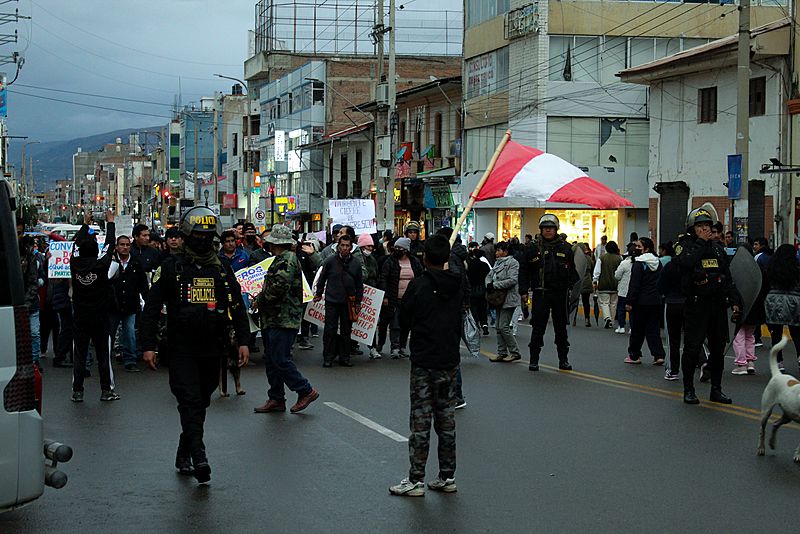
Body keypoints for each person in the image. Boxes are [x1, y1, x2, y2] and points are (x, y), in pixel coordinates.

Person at [141, 206, 250, 484]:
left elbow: (237, 304)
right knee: (188, 399)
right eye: (197, 236)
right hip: (181, 346)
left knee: (201, 400)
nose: (202, 241)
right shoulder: (171, 267)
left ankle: (184, 449)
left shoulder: (222, 267)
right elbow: (152, 307)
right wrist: (148, 344)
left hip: (213, 346)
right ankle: (199, 455)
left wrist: (244, 341)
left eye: (206, 236)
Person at [389, 235, 461, 497]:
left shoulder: (418, 286)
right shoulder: (458, 284)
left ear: (425, 257)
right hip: (449, 362)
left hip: (424, 362)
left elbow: (404, 319)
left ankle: (416, 479)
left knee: (421, 422)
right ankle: (447, 476)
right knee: (446, 421)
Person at [677, 207, 741, 405]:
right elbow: (686, 263)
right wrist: (701, 242)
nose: (704, 229)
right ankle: (688, 389)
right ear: (692, 228)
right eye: (700, 226)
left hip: (717, 305)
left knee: (717, 348)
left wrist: (735, 300)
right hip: (696, 305)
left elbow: (727, 277)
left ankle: (716, 389)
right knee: (692, 348)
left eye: (707, 226)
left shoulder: (717, 249)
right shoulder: (686, 246)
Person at [253, 225, 319, 414]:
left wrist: (260, 299)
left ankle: (305, 390)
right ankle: (276, 397)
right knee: (273, 360)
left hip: (283, 317)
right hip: (274, 317)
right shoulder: (281, 259)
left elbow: (279, 287)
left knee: (280, 359)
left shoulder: (287, 260)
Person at [70, 210, 119, 403]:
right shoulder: (101, 264)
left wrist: (85, 224)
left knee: (80, 354)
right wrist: (110, 223)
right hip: (100, 317)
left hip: (80, 316)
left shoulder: (74, 263)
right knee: (103, 355)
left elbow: (75, 245)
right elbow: (109, 245)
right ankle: (106, 390)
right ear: (95, 251)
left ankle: (77, 391)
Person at [519, 214, 579, 371]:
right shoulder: (532, 248)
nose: (548, 230)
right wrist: (523, 291)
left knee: (561, 330)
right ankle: (534, 360)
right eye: (545, 228)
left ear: (556, 229)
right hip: (541, 293)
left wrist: (573, 292)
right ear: (540, 229)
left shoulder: (566, 248)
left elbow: (573, 273)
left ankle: (563, 360)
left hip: (560, 294)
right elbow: (524, 271)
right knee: (538, 328)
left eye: (551, 228)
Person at [315, 234, 363, 367]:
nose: (345, 248)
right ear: (338, 246)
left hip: (348, 302)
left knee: (346, 331)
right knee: (330, 330)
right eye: (342, 245)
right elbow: (322, 279)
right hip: (332, 300)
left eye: (347, 246)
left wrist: (358, 301)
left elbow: (359, 284)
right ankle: (328, 357)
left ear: (351, 247)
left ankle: (345, 357)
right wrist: (319, 294)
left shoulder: (356, 263)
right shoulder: (330, 261)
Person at [109, 235, 150, 373]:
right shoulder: (110, 262)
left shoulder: (136, 263)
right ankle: (106, 360)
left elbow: (143, 284)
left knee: (130, 333)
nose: (125, 247)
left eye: (127, 244)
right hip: (113, 305)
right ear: (116, 246)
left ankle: (130, 360)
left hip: (131, 305)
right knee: (109, 334)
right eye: (122, 244)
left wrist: (147, 300)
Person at [378, 237, 423, 358]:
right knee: (395, 324)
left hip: (409, 300)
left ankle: (402, 346)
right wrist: (385, 296)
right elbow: (384, 278)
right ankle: (395, 348)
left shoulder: (414, 262)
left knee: (406, 324)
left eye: (400, 248)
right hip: (393, 298)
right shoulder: (390, 262)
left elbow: (420, 277)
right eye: (396, 247)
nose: (397, 250)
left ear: (406, 250)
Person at [623, 238, 666, 365]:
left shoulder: (639, 263)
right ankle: (658, 355)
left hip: (640, 302)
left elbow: (634, 284)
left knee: (637, 330)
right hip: (655, 301)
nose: (635, 248)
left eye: (638, 246)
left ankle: (634, 355)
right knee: (653, 330)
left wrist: (629, 301)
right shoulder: (658, 263)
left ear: (646, 248)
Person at [764, 244, 800, 373]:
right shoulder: (796, 268)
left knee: (776, 334)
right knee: (796, 333)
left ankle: (779, 362)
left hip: (774, 301)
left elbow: (765, 286)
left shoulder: (771, 268)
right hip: (794, 301)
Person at [486, 241, 522, 362]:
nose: (496, 253)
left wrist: (495, 285)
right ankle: (501, 352)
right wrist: (488, 285)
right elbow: (489, 276)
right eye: (496, 251)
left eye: (499, 250)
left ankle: (515, 352)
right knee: (498, 327)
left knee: (503, 326)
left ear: (505, 252)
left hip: (508, 299)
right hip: (497, 299)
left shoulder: (513, 263)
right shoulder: (497, 263)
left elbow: (512, 280)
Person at [658, 243, 684, 381]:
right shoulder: (690, 265)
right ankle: (703, 362)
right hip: (689, 304)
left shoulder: (669, 266)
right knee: (693, 338)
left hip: (672, 302)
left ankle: (673, 369)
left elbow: (661, 286)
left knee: (672, 340)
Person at [357, 233, 381, 359]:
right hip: (360, 292)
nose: (369, 249)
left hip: (371, 294)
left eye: (371, 247)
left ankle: (373, 347)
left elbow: (376, 275)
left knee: (370, 323)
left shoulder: (372, 260)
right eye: (367, 246)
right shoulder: (356, 258)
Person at [592, 240, 622, 329]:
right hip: (615, 285)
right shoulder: (619, 258)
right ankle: (611, 321)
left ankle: (607, 318)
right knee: (613, 304)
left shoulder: (602, 258)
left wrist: (595, 280)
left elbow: (597, 271)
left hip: (604, 284)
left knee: (604, 303)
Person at [467, 242, 491, 336]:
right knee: (483, 308)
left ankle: (476, 325)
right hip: (483, 289)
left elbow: (468, 277)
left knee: (474, 308)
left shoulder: (470, 265)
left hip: (473, 290)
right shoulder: (484, 265)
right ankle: (484, 324)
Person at [614, 244, 636, 334]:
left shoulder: (624, 263)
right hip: (634, 291)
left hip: (623, 290)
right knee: (633, 311)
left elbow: (617, 275)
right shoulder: (639, 263)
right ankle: (632, 327)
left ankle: (621, 326)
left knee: (621, 308)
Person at [577, 243, 595, 328]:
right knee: (586, 301)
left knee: (575, 301)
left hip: (577, 281)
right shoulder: (588, 258)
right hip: (587, 280)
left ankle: (573, 319)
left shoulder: (575, 258)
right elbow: (592, 268)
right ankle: (587, 318)